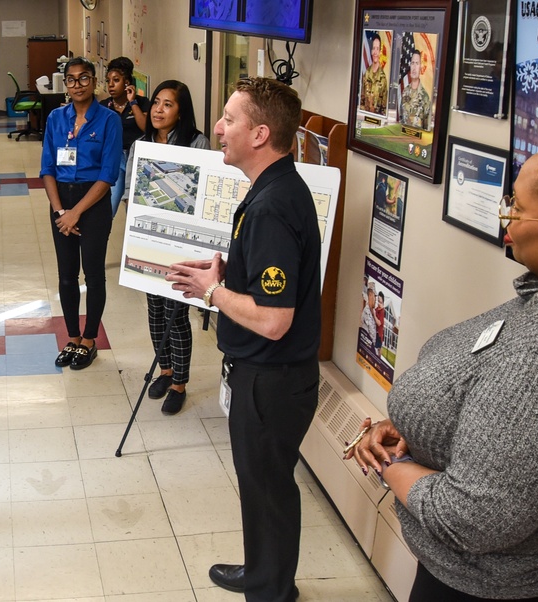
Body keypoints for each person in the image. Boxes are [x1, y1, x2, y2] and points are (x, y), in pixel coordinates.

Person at [347, 134, 538, 602]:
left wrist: (394, 464)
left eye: (519, 205)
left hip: (487, 588)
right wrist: (414, 427)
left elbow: (473, 516)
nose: (505, 215)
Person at [167, 77, 321, 602]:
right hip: (266, 376)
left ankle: (272, 591)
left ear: (259, 133)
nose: (217, 128)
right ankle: (264, 575)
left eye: (229, 120)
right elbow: (273, 279)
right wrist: (229, 272)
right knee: (261, 488)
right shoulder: (273, 188)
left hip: (272, 381)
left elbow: (275, 318)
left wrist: (213, 293)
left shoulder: (275, 204)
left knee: (269, 489)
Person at [126, 80, 209, 415]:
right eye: (155, 103)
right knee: (155, 309)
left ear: (181, 110)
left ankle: (180, 383)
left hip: (183, 242)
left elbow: (203, 192)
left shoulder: (197, 142)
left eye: (167, 104)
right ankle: (165, 370)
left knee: (177, 314)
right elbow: (132, 189)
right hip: (149, 239)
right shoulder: (141, 144)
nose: (157, 110)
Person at [40, 57, 122, 371]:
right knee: (66, 275)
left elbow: (108, 174)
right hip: (61, 203)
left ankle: (89, 340)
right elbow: (47, 168)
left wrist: (76, 212)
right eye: (71, 80)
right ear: (66, 84)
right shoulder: (55, 118)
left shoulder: (109, 120)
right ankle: (72, 338)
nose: (77, 85)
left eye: (84, 78)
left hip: (93, 204)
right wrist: (61, 210)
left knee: (93, 273)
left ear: (93, 81)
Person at [100, 56, 147, 217]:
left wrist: (132, 102)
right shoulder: (103, 107)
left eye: (116, 80)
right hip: (115, 159)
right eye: (108, 81)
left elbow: (146, 127)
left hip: (136, 159)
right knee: (108, 207)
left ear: (127, 82)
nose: (111, 85)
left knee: (133, 210)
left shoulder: (142, 103)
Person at [400, 48, 431, 130]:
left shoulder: (425, 97)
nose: (414, 67)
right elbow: (400, 119)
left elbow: (426, 127)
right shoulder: (405, 91)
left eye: (417, 63)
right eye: (412, 63)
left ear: (421, 67)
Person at [360, 34, 388, 114]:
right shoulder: (366, 74)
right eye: (373, 48)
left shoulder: (383, 78)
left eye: (377, 49)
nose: (375, 52)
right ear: (371, 51)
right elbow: (362, 102)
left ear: (380, 52)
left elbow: (384, 109)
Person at [361, 280, 378, 348]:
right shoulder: (366, 313)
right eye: (375, 296)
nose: (376, 299)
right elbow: (365, 338)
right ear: (370, 295)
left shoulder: (373, 312)